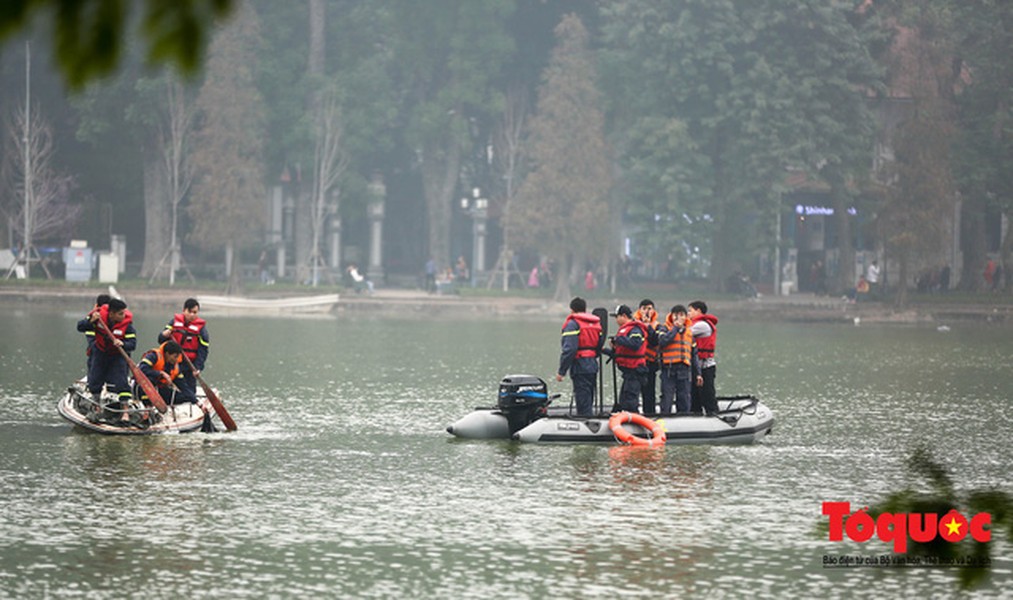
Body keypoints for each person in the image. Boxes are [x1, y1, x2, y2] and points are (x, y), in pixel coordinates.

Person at [78, 298, 137, 419]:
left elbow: (133, 344)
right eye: (120, 313)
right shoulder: (98, 318)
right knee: (95, 379)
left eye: (124, 312)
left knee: (122, 382)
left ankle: (125, 412)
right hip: (100, 352)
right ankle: (96, 407)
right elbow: (80, 327)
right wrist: (90, 321)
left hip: (117, 355)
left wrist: (123, 344)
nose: (123, 316)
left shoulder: (128, 326)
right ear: (111, 314)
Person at [555, 296, 602, 416]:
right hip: (592, 364)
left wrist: (562, 371)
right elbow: (599, 345)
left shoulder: (573, 324)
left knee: (582, 398)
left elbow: (570, 349)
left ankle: (586, 423)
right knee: (589, 396)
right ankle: (589, 417)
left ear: (572, 310)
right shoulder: (596, 324)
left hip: (580, 365)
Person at [158, 298, 209, 403]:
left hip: (190, 365)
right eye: (189, 312)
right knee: (166, 389)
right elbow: (160, 340)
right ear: (184, 310)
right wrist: (164, 334)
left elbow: (203, 351)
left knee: (189, 392)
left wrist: (198, 367)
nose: (192, 315)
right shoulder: (174, 323)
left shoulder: (201, 329)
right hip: (173, 363)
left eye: (195, 312)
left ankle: (190, 405)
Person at [604, 304, 648, 413]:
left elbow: (636, 344)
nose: (616, 320)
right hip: (628, 372)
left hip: (635, 371)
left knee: (630, 401)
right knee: (623, 400)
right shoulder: (625, 332)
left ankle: (634, 422)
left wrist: (618, 340)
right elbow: (620, 355)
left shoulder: (635, 329)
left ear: (623, 316)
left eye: (617, 317)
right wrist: (602, 349)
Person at [657, 305, 699, 414]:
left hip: (684, 370)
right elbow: (663, 341)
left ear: (686, 317)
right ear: (671, 316)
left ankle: (684, 418)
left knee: (684, 396)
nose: (678, 317)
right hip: (669, 369)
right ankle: (665, 418)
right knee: (667, 397)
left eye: (681, 315)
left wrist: (698, 373)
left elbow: (694, 355)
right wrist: (675, 328)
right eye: (676, 315)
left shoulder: (689, 333)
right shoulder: (664, 328)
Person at [138, 341, 195, 406]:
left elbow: (184, 387)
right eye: (175, 356)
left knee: (184, 396)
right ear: (167, 354)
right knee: (150, 379)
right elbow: (141, 369)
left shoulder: (175, 367)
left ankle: (161, 407)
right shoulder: (154, 356)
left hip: (160, 390)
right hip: (143, 389)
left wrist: (197, 402)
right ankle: (147, 407)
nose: (176, 359)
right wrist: (161, 373)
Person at [688, 300, 718, 416]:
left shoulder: (702, 325)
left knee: (707, 394)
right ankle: (696, 415)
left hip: (705, 366)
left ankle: (713, 414)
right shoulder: (695, 324)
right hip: (696, 366)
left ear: (698, 311)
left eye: (690, 311)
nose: (688, 314)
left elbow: (683, 334)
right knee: (694, 395)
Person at [633, 299, 660, 415]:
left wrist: (648, 326)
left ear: (653, 310)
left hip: (650, 363)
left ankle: (650, 414)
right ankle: (633, 414)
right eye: (644, 309)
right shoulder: (634, 325)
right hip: (636, 363)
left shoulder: (657, 326)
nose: (647, 311)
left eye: (649, 309)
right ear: (639, 310)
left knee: (649, 393)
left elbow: (655, 342)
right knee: (633, 391)